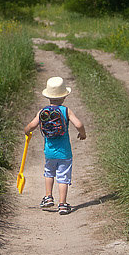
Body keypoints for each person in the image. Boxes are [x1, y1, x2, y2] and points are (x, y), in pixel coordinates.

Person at [23, 76, 86, 215]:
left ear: (48, 96)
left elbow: (31, 126)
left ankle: (48, 197)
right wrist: (83, 134)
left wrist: (26, 131)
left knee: (49, 173)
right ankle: (62, 204)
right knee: (63, 177)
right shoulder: (66, 110)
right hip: (65, 153)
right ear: (64, 97)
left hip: (49, 152)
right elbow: (79, 124)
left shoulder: (42, 112)